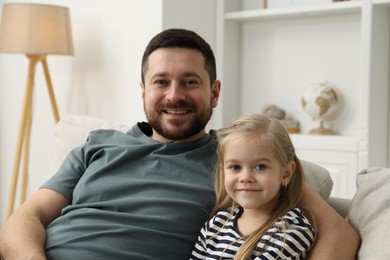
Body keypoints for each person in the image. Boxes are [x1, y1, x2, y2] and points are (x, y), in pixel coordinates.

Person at [0, 28, 359, 260]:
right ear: (143, 90)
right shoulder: (97, 145)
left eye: (189, 82)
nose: (174, 95)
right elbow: (25, 217)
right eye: (161, 82)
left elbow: (337, 235)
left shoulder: (237, 159)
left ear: (214, 92)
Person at [191, 114, 315, 259]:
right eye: (235, 167)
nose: (245, 178)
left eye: (260, 166)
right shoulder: (216, 225)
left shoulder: (292, 231)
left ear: (286, 173)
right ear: (223, 171)